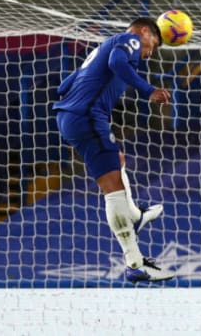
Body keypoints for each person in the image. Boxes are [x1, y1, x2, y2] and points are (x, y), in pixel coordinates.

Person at [53, 17, 174, 283]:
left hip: (71, 117)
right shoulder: (127, 40)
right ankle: (134, 262)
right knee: (113, 187)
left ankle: (136, 215)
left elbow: (64, 86)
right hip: (86, 115)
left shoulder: (101, 48)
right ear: (144, 32)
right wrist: (148, 90)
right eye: (151, 46)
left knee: (116, 161)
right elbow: (117, 64)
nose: (148, 53)